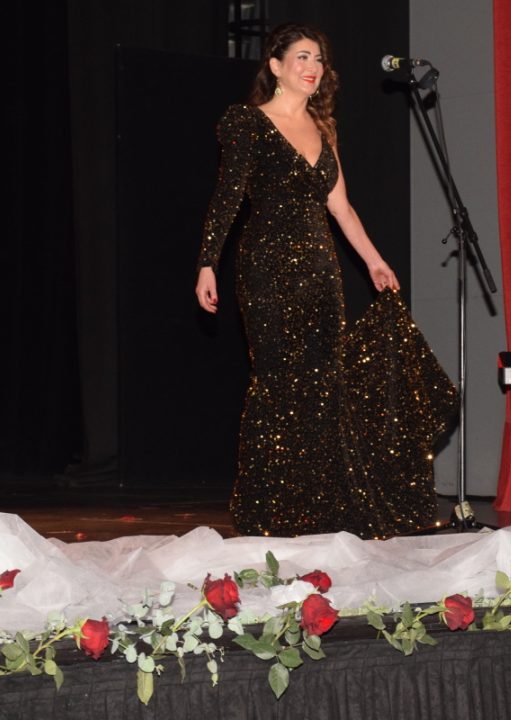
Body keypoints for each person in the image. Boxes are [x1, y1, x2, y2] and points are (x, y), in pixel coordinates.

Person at [195, 23, 456, 538]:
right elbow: (227, 196)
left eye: (318, 59)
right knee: (279, 382)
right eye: (302, 57)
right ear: (276, 66)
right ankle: (273, 507)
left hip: (320, 272)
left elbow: (341, 207)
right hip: (267, 269)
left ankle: (321, 506)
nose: (312, 67)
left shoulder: (324, 128)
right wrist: (207, 261)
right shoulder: (247, 122)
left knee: (322, 386)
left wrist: (374, 261)